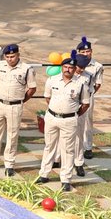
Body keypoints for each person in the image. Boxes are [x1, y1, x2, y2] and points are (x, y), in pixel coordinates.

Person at [0, 44, 36, 177]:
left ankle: (9, 164)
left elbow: (32, 88)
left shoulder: (26, 69)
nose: (10, 59)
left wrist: (20, 100)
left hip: (15, 106)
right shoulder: (0, 66)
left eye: (13, 56)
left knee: (12, 136)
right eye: (8, 57)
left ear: (18, 55)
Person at [39, 55, 90, 192]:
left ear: (75, 69)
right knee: (49, 146)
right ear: (62, 68)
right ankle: (44, 174)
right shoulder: (52, 80)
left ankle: (66, 179)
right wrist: (56, 111)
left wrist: (72, 114)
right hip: (52, 117)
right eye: (65, 67)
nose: (68, 70)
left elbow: (85, 104)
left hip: (69, 120)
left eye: (71, 68)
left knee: (67, 150)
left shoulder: (81, 84)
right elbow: (47, 97)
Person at [75, 37, 104, 161]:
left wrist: (88, 94)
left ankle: (87, 147)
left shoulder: (97, 66)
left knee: (87, 122)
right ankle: (75, 146)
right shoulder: (74, 62)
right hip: (73, 96)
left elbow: (97, 84)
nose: (86, 54)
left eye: (88, 52)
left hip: (88, 95)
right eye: (83, 52)